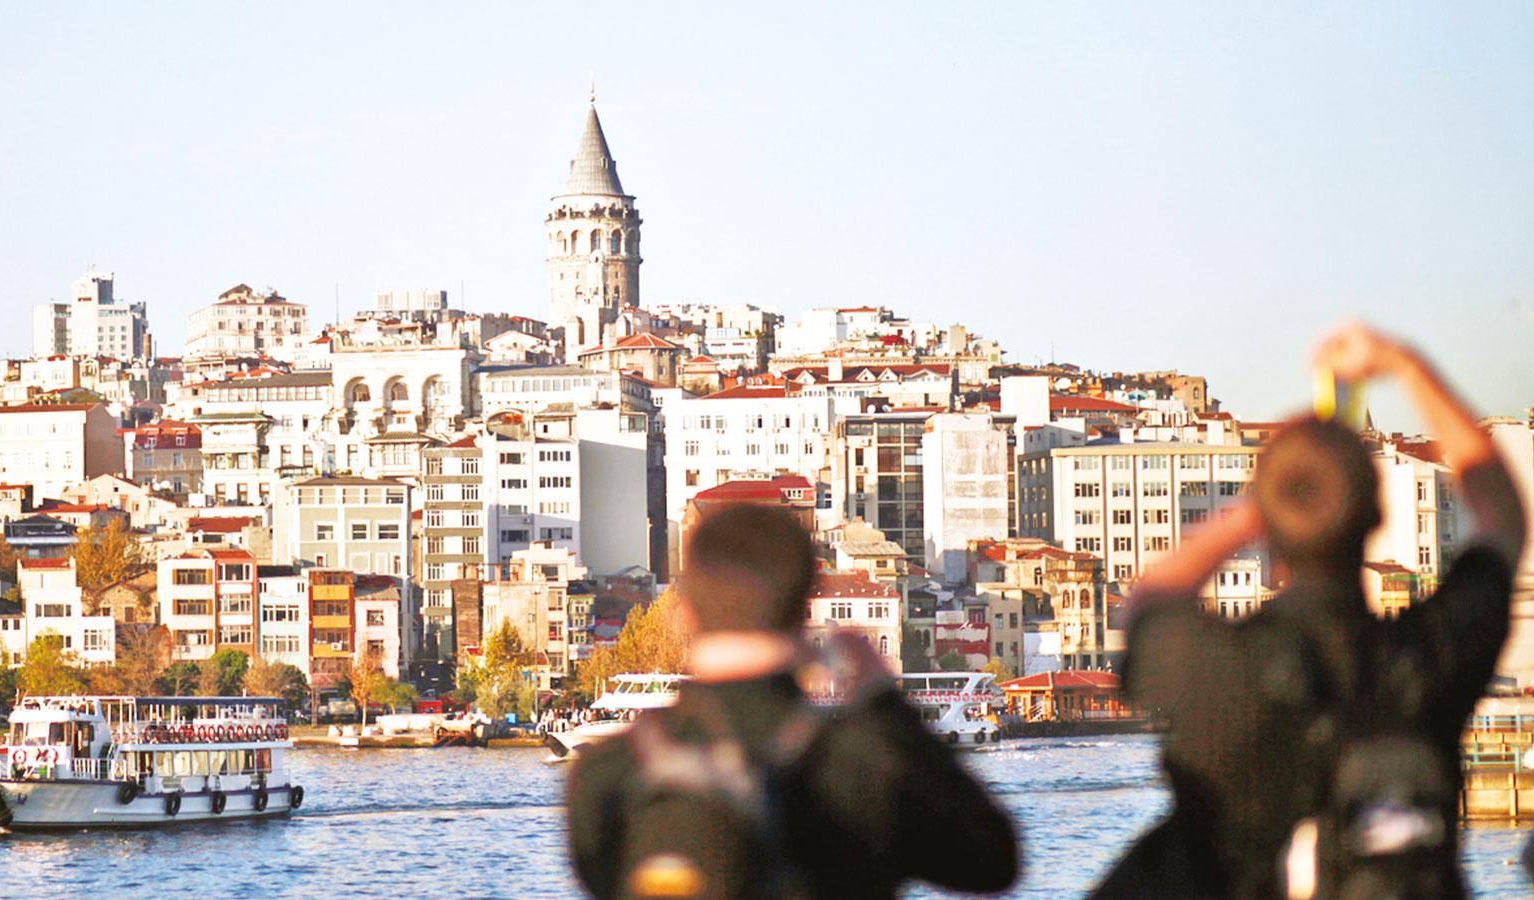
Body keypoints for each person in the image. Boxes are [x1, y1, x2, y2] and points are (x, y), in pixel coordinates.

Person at [1092, 323, 1525, 899]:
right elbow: (1502, 517)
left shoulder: (1209, 667)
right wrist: (1404, 364)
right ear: (1377, 517)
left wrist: (1264, 501)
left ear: (1268, 531)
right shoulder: (1428, 660)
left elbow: (1152, 595)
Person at [567, 503, 1018, 899]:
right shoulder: (863, 764)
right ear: (804, 608)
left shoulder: (610, 774)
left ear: (685, 613)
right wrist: (885, 705)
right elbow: (993, 863)